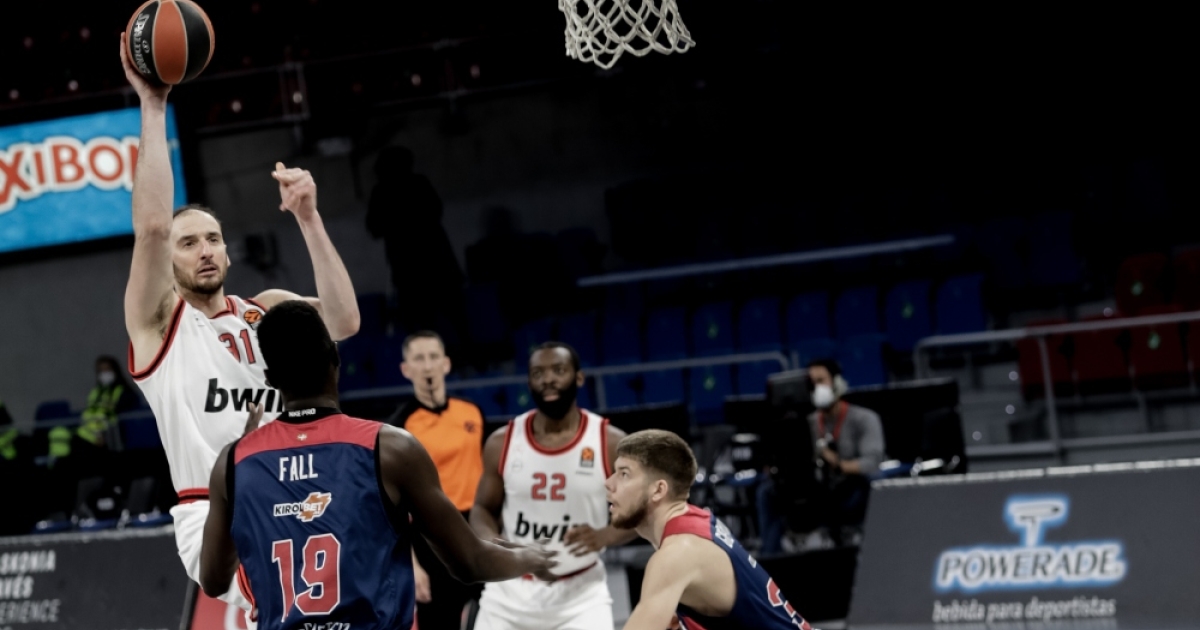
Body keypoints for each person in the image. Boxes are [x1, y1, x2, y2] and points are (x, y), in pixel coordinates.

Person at [119, 35, 361, 614]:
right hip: (212, 509)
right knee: (287, 602)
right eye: (188, 243)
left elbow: (345, 321)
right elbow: (151, 228)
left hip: (294, 492)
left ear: (228, 252)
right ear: (168, 261)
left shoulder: (266, 312)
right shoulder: (159, 325)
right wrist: (153, 104)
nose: (204, 250)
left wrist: (309, 219)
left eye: (213, 239)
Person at [200, 301, 556, 630]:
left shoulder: (233, 463)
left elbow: (214, 581)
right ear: (335, 358)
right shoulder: (390, 447)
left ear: (270, 378)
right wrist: (532, 558)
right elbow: (470, 563)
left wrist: (248, 472)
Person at [470, 342, 636, 630]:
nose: (548, 379)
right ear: (529, 383)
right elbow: (482, 508)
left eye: (559, 370)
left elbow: (643, 511)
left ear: (579, 378)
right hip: (508, 591)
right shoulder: (502, 442)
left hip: (581, 593)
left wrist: (607, 535)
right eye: (538, 373)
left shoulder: (610, 442)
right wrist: (495, 543)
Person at [608, 429, 812, 630]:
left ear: (659, 490)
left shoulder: (676, 554)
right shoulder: (697, 521)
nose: (608, 483)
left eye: (624, 474)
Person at [387, 330, 486, 628]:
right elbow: (392, 502)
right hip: (431, 539)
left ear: (446, 363)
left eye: (433, 357)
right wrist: (412, 563)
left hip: (477, 532)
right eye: (419, 359)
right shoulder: (398, 427)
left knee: (494, 616)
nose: (427, 365)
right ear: (406, 369)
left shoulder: (472, 412)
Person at [365, 147, 465, 340]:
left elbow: (434, 212)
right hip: (412, 269)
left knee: (449, 318)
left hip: (432, 263)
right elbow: (374, 227)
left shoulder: (415, 185)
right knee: (427, 322)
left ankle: (462, 353)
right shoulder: (385, 191)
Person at [805, 358, 884, 544]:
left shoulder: (864, 418)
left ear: (837, 382)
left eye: (821, 381)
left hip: (852, 487)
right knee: (766, 492)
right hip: (819, 490)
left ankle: (872, 539)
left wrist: (838, 464)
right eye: (812, 383)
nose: (817, 388)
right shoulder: (808, 424)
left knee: (870, 481)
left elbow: (872, 462)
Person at [77, 355, 139, 450]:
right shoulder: (95, 392)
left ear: (115, 371)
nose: (104, 373)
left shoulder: (125, 392)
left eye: (107, 369)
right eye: (101, 371)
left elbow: (121, 415)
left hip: (112, 435)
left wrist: (102, 434)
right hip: (88, 433)